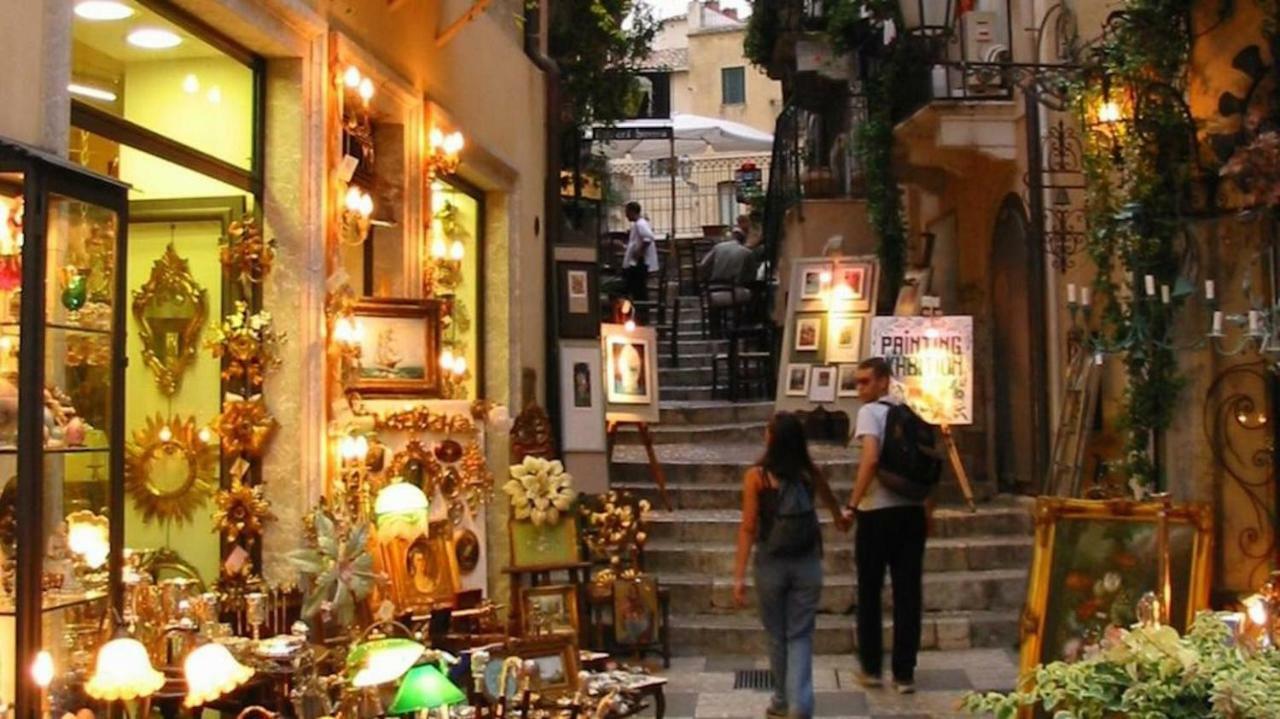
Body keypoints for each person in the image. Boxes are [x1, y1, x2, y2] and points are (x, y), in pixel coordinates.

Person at [734, 413, 849, 719]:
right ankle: (800, 702)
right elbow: (830, 501)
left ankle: (782, 700)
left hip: (770, 563)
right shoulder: (809, 472)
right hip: (807, 561)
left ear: (771, 438)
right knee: (800, 634)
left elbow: (747, 527)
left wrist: (739, 575)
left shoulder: (757, 476)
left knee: (776, 634)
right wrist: (840, 519)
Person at [842, 357, 928, 694]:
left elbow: (871, 459)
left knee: (870, 591)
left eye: (865, 382)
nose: (860, 388)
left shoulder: (870, 413)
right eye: (858, 382)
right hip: (911, 511)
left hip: (877, 512)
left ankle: (872, 668)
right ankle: (905, 673)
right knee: (908, 593)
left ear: (882, 382)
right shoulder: (912, 410)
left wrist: (852, 504)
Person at [622, 201, 659, 302]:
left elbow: (648, 238)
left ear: (632, 211)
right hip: (636, 263)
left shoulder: (640, 224)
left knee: (637, 289)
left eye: (627, 212)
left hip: (638, 264)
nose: (626, 215)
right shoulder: (638, 224)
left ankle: (641, 311)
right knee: (636, 289)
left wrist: (639, 252)